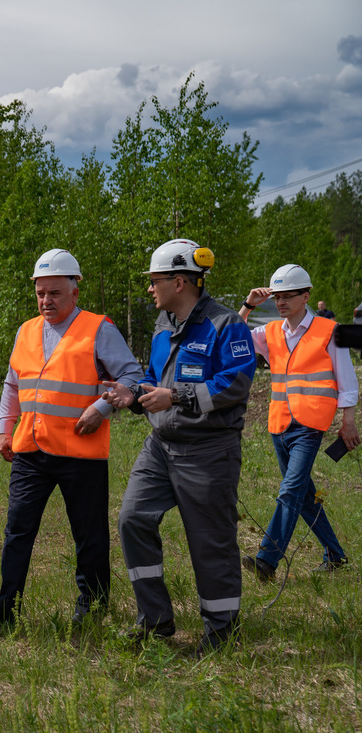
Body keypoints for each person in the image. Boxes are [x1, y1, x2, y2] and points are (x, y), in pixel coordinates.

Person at [0, 249, 142, 628]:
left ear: (75, 291)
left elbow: (132, 378)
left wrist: (102, 407)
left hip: (80, 453)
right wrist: (5, 429)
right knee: (17, 530)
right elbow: (12, 384)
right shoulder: (26, 331)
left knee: (89, 533)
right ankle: (6, 607)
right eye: (40, 293)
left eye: (54, 293)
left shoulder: (99, 329)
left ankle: (92, 606)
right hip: (30, 449)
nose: (46, 301)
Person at [103, 239, 256, 656]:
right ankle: (155, 619)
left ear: (179, 281)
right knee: (132, 518)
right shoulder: (163, 325)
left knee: (210, 541)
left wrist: (177, 396)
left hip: (208, 450)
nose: (150, 290)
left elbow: (236, 383)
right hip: (161, 446)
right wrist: (131, 395)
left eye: (154, 282)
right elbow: (153, 377)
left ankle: (220, 633)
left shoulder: (227, 325)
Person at [238, 265, 357, 580]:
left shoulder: (330, 331)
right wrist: (249, 306)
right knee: (302, 494)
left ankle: (267, 560)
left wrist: (349, 421)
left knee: (289, 491)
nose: (281, 302)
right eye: (277, 297)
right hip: (279, 422)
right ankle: (335, 555)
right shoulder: (270, 332)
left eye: (288, 295)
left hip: (311, 424)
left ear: (306, 295)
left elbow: (347, 379)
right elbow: (232, 341)